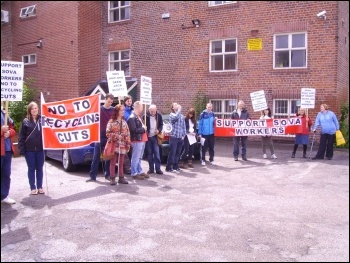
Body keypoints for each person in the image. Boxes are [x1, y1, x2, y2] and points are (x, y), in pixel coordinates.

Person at [18, 102, 45, 195]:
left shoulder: (42, 120)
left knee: (40, 168)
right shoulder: (25, 121)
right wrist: (21, 149)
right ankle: (33, 188)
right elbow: (21, 136)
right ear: (29, 110)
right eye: (32, 108)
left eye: (36, 108)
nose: (34, 110)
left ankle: (40, 186)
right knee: (31, 168)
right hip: (29, 150)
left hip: (40, 149)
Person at [86, 93, 114, 182]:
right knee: (96, 157)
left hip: (109, 136)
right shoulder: (99, 109)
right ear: (105, 99)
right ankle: (92, 176)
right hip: (99, 136)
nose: (110, 103)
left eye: (111, 102)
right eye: (109, 101)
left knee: (107, 157)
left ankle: (107, 175)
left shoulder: (113, 110)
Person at [106, 104, 131, 185]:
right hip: (114, 144)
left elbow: (128, 134)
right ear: (117, 111)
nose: (123, 112)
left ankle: (121, 177)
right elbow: (107, 133)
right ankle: (112, 178)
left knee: (121, 162)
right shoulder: (111, 122)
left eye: (123, 110)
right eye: (121, 110)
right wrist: (116, 136)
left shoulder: (124, 123)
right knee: (113, 162)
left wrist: (128, 143)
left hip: (122, 145)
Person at [127, 101, 148, 180]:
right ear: (137, 107)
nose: (142, 109)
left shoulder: (137, 116)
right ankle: (134, 172)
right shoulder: (132, 118)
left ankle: (139, 170)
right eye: (142, 107)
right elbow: (133, 130)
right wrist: (143, 129)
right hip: (137, 140)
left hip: (141, 139)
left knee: (139, 157)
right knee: (136, 157)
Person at [1, 108, 16, 204]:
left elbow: (13, 129)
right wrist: (1, 130)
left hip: (7, 150)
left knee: (6, 174)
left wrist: (9, 132)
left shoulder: (4, 112)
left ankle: (4, 195)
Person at [165, 103, 186, 173]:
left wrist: (184, 135)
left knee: (178, 153)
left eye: (177, 104)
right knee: (172, 152)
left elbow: (184, 126)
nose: (177, 105)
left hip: (180, 137)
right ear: (173, 108)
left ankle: (175, 166)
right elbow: (175, 118)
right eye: (175, 105)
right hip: (174, 136)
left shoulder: (182, 116)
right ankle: (169, 167)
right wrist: (179, 110)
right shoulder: (171, 115)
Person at [145, 104, 164, 175]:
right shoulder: (146, 116)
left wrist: (159, 130)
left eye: (154, 111)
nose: (153, 113)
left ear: (156, 110)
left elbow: (161, 125)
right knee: (149, 154)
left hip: (155, 137)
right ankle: (151, 169)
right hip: (148, 137)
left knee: (157, 153)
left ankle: (158, 169)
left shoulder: (159, 116)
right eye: (151, 111)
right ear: (149, 110)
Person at [122, 95, 133, 175]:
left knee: (131, 151)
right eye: (128, 101)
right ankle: (126, 168)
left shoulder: (132, 110)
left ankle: (130, 167)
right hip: (125, 132)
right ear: (125, 102)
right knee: (125, 151)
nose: (129, 102)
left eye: (130, 101)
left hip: (132, 133)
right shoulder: (123, 110)